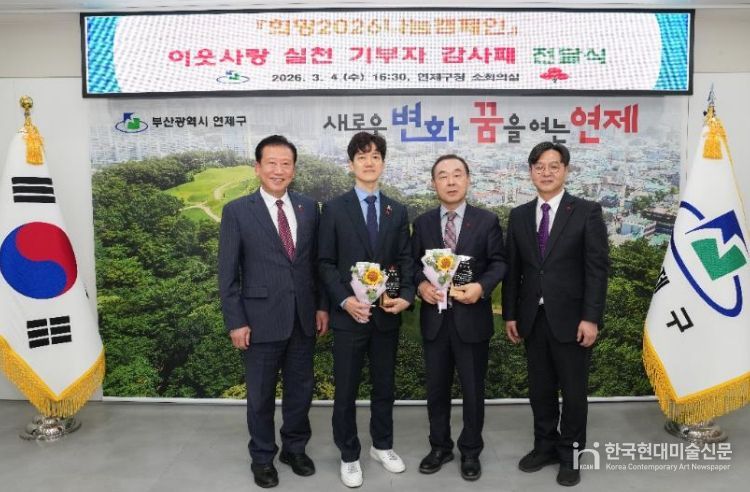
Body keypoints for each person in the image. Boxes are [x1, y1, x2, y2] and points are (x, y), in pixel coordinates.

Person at [218, 135, 329, 488]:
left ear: (294, 170)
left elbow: (315, 264)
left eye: (286, 164)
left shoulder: (309, 208)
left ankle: (294, 449)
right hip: (259, 319)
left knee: (300, 390)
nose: (279, 170)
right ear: (258, 168)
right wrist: (236, 321)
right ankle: (263, 457)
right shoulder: (237, 211)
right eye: (272, 163)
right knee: (261, 395)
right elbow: (227, 273)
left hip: (303, 318)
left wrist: (321, 306)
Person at [502, 141, 609, 487]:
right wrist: (510, 315)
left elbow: (597, 270)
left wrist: (591, 318)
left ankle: (571, 455)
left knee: (574, 393)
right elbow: (513, 271)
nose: (546, 173)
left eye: (553, 166)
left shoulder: (586, 212)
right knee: (540, 390)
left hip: (573, 320)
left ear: (566, 170)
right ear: (531, 172)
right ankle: (545, 446)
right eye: (539, 167)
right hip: (532, 318)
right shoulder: (519, 215)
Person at [318, 131, 415, 488]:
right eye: (362, 157)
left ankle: (382, 446)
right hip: (349, 316)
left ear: (383, 163)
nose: (369, 162)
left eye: (375, 156)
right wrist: (345, 301)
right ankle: (349, 454)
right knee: (346, 390)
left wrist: (404, 295)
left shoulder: (396, 209)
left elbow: (404, 260)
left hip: (386, 316)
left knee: (384, 386)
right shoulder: (334, 208)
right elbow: (325, 262)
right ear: (351, 164)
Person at [412, 154, 507, 481]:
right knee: (436, 389)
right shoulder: (423, 223)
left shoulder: (486, 220)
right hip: (435, 321)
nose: (450, 181)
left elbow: (499, 263)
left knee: (473, 390)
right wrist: (421, 285)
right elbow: (411, 264)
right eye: (442, 176)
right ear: (433, 183)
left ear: (467, 179)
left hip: (472, 320)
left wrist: (481, 287)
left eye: (457, 174)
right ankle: (439, 446)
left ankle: (471, 451)